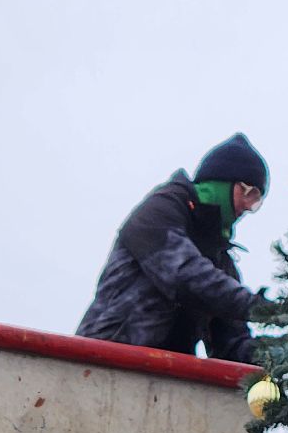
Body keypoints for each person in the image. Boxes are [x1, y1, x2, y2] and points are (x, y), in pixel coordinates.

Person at [77, 133, 270, 363]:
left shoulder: (219, 259)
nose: (249, 207)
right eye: (248, 193)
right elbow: (185, 275)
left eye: (257, 201)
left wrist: (278, 353)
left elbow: (231, 341)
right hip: (104, 360)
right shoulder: (159, 212)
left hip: (169, 378)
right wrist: (263, 310)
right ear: (221, 183)